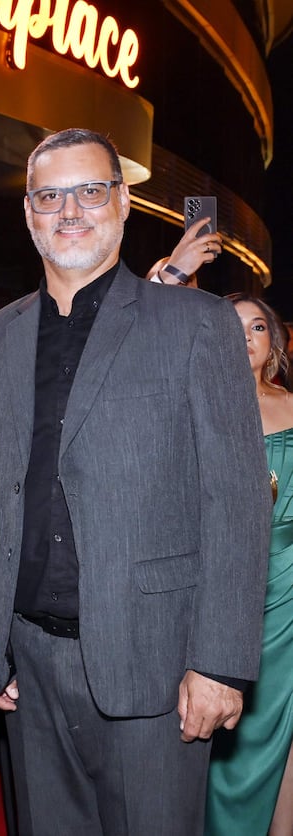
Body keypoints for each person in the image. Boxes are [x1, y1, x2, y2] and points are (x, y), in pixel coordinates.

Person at [0, 128, 271, 836]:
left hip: (159, 664)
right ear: (29, 213)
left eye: (90, 191)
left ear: (124, 203)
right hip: (25, 666)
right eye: (49, 195)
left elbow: (238, 501)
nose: (71, 211)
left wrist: (220, 662)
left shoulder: (197, 324)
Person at [205, 294, 293, 836]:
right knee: (240, 727)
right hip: (237, 584)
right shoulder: (202, 404)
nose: (246, 337)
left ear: (273, 342)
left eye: (257, 326)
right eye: (232, 327)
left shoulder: (291, 401)